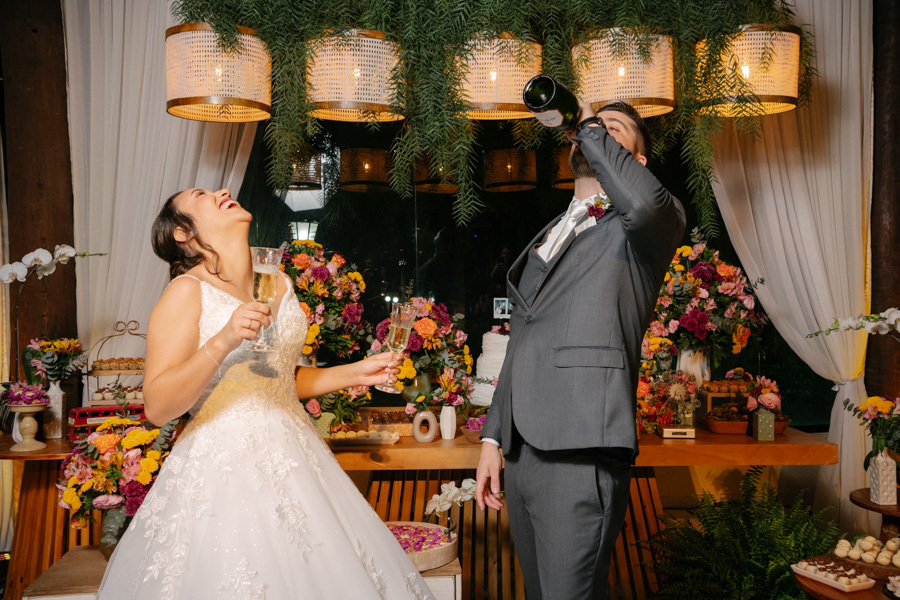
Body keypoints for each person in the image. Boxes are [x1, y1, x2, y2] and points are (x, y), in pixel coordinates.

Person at [97, 188, 435, 599]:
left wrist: (356, 373)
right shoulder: (186, 291)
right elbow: (157, 406)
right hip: (224, 469)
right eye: (202, 195)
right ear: (183, 233)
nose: (222, 191)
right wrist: (223, 339)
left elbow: (279, 382)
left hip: (297, 454)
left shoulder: (281, 283)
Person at [475, 100, 686, 599]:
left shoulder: (649, 227)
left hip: (581, 446)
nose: (595, 134)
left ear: (635, 164)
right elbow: (522, 342)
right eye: (592, 130)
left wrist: (588, 123)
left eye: (612, 132)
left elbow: (645, 203)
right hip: (523, 455)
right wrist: (492, 440)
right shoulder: (553, 232)